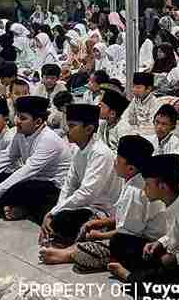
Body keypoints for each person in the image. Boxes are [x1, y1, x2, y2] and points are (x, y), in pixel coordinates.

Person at [39, 135, 166, 272]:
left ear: (130, 168)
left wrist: (99, 236)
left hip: (145, 244)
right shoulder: (134, 181)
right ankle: (71, 250)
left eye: (118, 159)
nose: (114, 162)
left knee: (98, 248)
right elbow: (124, 218)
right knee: (86, 228)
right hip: (130, 233)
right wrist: (98, 223)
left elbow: (128, 234)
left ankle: (68, 254)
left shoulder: (136, 191)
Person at [107, 153, 179, 300]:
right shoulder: (176, 199)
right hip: (176, 253)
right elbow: (176, 233)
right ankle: (142, 274)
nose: (144, 189)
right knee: (119, 240)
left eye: (147, 185)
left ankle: (130, 276)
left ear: (162, 186)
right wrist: (160, 242)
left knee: (144, 283)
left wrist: (175, 259)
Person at [0, 95, 73, 222]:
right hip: (33, 180)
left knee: (16, 191)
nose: (17, 121)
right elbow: (5, 158)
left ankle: (22, 209)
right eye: (17, 116)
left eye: (23, 118)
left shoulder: (49, 140)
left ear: (38, 122)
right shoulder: (20, 133)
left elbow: (27, 170)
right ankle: (14, 207)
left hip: (53, 186)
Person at [39, 104, 123, 249]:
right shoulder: (78, 150)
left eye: (72, 126)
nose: (67, 130)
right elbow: (69, 185)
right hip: (85, 205)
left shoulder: (101, 153)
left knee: (61, 219)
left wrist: (54, 213)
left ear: (88, 129)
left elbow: (87, 193)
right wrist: (55, 211)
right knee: (48, 204)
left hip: (103, 211)